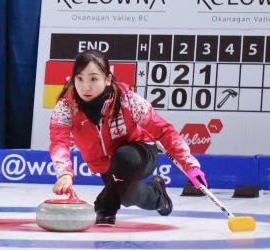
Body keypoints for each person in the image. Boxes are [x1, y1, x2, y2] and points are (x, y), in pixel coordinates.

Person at [49, 50, 207, 225]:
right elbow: (59, 142)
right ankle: (158, 196)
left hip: (140, 152)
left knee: (124, 158)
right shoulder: (65, 106)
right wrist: (64, 174)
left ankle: (105, 208)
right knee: (126, 195)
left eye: (93, 79)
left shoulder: (127, 100)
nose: (85, 87)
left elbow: (164, 130)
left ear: (108, 79)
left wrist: (190, 165)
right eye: (79, 78)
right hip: (108, 165)